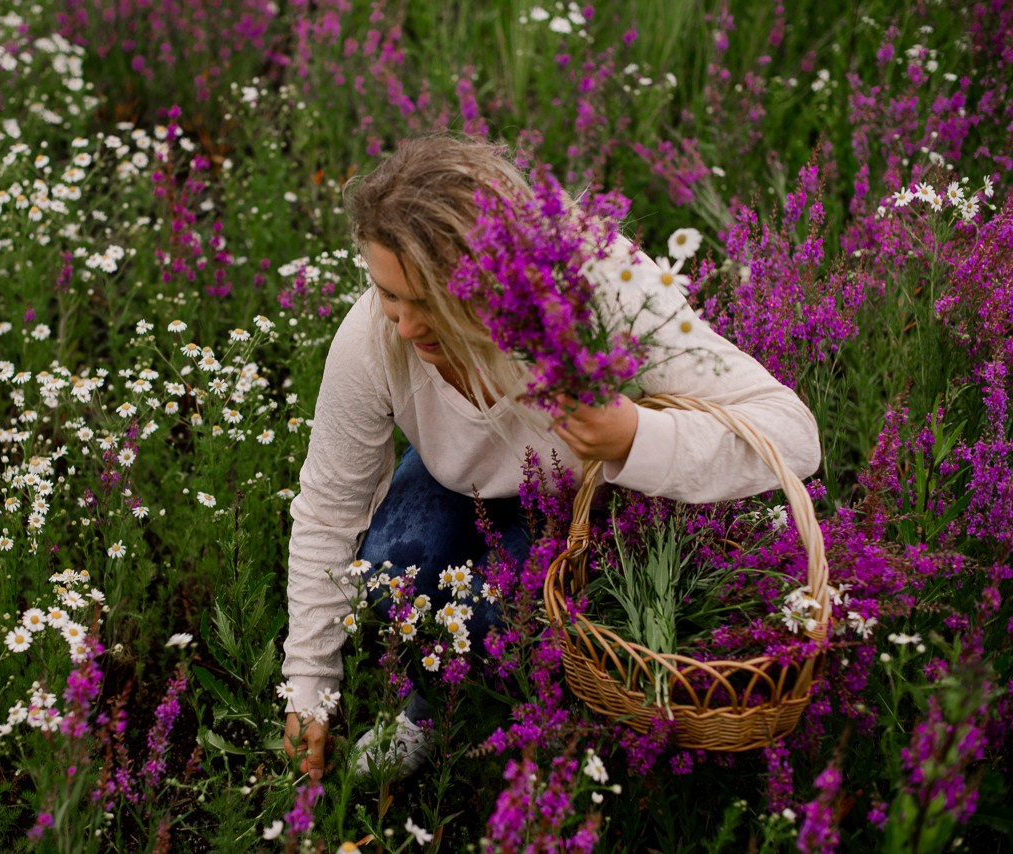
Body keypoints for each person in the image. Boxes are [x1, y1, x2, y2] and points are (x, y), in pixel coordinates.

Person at [280, 136, 821, 783]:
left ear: (503, 278)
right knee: (393, 574)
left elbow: (794, 436)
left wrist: (632, 438)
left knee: (503, 616)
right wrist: (307, 688)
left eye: (429, 302)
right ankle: (429, 707)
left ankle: (558, 727)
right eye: (388, 293)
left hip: (593, 494)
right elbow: (329, 510)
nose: (402, 324)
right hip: (466, 482)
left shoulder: (608, 295)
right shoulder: (374, 337)